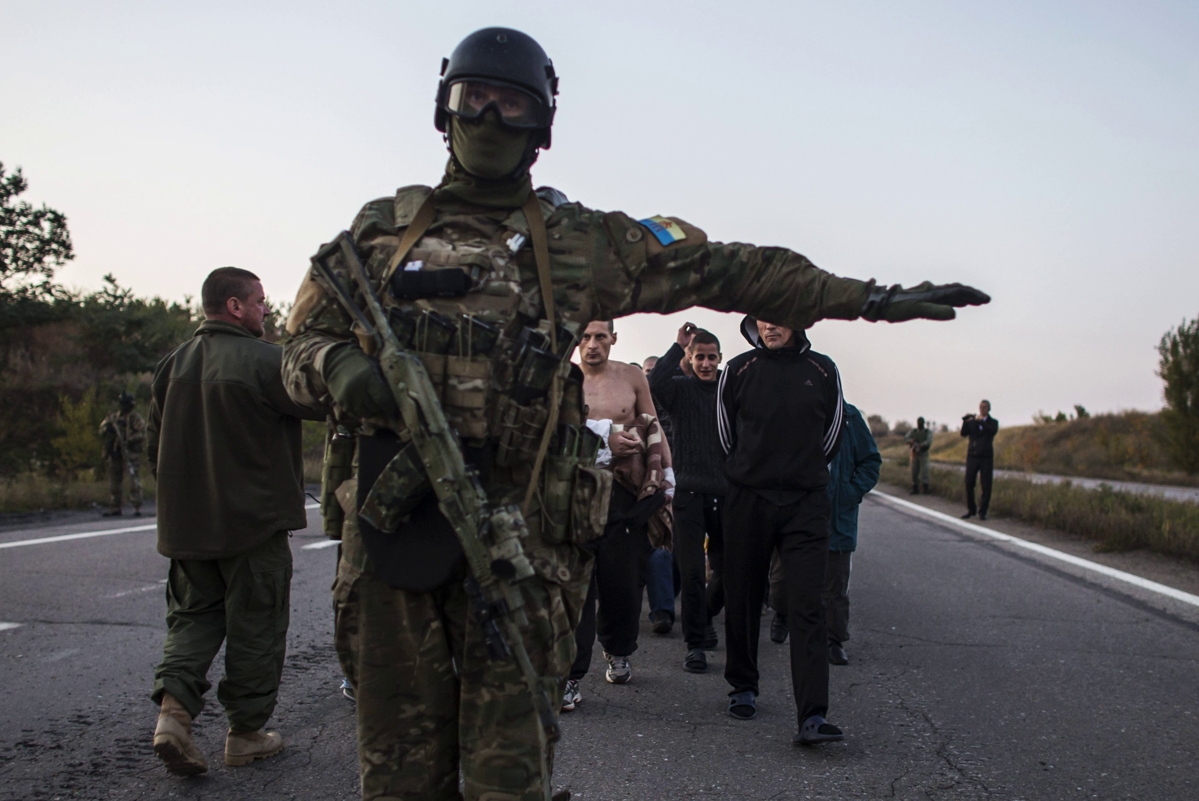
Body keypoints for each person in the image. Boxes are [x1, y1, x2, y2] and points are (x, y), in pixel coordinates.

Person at [280, 27, 987, 800]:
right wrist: (344, 370)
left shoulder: (579, 244)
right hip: (395, 550)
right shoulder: (380, 232)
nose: (489, 118)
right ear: (443, 110)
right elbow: (299, 348)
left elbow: (731, 269)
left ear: (541, 126)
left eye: (511, 104)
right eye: (473, 98)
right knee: (396, 782)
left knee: (507, 781)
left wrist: (865, 298)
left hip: (517, 551)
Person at [146, 267, 321, 777]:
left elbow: (153, 448)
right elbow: (328, 402)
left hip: (187, 529)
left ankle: (172, 718)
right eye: (261, 301)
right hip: (253, 524)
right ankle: (246, 735)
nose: (268, 309)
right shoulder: (267, 361)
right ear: (235, 306)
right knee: (258, 628)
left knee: (191, 622)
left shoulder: (170, 365)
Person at [716, 317, 847, 744]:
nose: (769, 327)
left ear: (799, 321)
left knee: (808, 602)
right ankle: (743, 687)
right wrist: (749, 472)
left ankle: (812, 716)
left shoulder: (824, 370)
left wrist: (800, 472)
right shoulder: (737, 369)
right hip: (747, 498)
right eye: (761, 319)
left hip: (806, 501)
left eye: (779, 318)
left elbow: (832, 435)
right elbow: (725, 435)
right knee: (744, 594)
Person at [566, 320, 672, 709]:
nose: (592, 344)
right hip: (574, 492)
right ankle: (571, 675)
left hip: (624, 494)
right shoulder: (564, 379)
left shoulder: (630, 376)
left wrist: (667, 480)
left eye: (600, 336)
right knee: (575, 586)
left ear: (613, 338)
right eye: (585, 337)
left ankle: (618, 648)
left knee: (623, 583)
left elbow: (653, 427)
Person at [768, 403, 880, 665]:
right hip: (792, 509)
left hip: (835, 513)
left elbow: (870, 461)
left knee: (835, 583)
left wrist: (850, 493)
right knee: (781, 578)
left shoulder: (850, 417)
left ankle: (834, 639)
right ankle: (782, 612)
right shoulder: (791, 410)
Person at [649, 323, 727, 674]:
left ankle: (706, 615)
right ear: (691, 358)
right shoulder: (679, 390)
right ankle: (695, 643)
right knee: (693, 572)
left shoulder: (731, 389)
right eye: (699, 357)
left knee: (727, 572)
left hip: (726, 494)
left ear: (720, 358)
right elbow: (654, 385)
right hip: (689, 494)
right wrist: (676, 345)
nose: (706, 364)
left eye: (711, 357)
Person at [640, 354, 677, 636]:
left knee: (660, 552)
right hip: (626, 491)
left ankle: (663, 611)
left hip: (662, 489)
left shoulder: (665, 407)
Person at [98, 391, 146, 517]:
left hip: (130, 452)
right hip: (115, 452)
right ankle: (115, 506)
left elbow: (142, 433)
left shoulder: (135, 418)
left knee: (133, 481)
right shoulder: (113, 418)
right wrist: (107, 429)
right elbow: (102, 429)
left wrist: (129, 439)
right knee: (114, 482)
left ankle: (137, 507)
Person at [961, 400, 999, 520]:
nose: (982, 409)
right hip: (973, 455)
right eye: (981, 407)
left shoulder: (993, 422)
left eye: (985, 407)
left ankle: (983, 511)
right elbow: (963, 433)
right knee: (969, 483)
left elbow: (991, 431)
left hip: (986, 457)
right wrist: (966, 422)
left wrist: (981, 421)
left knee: (986, 485)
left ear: (989, 409)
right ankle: (971, 509)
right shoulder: (974, 422)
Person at [905, 416, 933, 494]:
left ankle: (925, 488)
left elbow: (928, 441)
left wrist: (920, 445)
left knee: (925, 471)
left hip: (923, 453)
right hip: (915, 454)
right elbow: (906, 438)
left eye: (921, 423)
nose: (920, 425)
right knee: (914, 471)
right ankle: (915, 487)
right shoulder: (914, 432)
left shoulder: (927, 432)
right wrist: (911, 441)